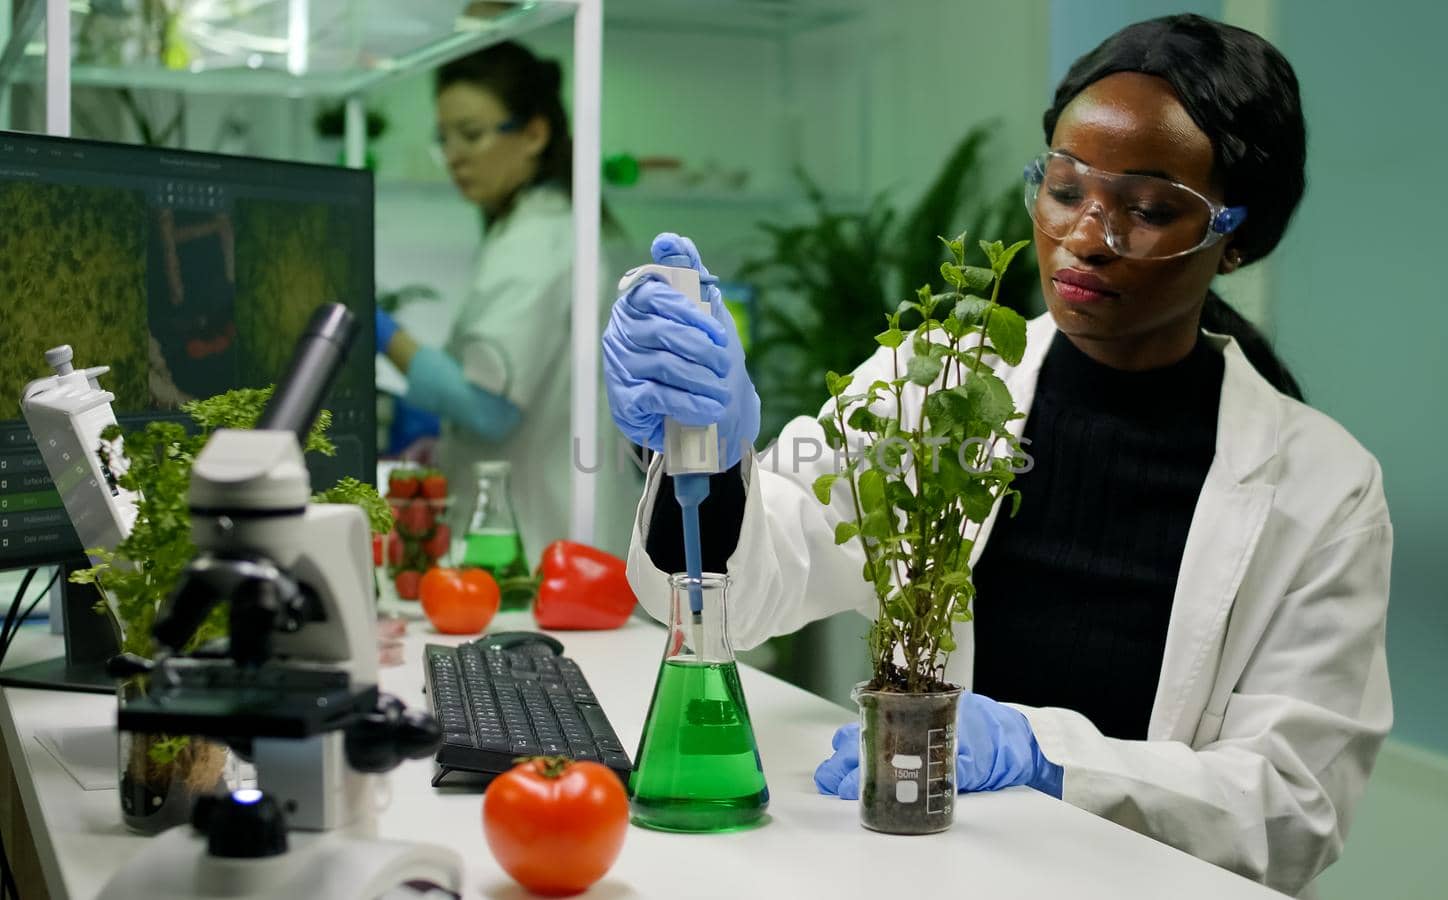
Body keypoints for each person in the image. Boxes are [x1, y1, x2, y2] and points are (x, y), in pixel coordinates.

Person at [601, 14, 1390, 898]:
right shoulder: (937, 383)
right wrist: (705, 456)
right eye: (1064, 188)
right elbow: (744, 591)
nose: (1090, 236)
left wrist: (1040, 755)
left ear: (1236, 237)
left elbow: (1291, 808)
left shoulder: (1326, 486)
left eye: (1152, 208)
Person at [378, 42, 636, 557]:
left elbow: (489, 411)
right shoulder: (533, 227)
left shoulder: (539, 239)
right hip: (544, 525)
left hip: (539, 534)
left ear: (534, 133)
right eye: (443, 137)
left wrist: (380, 332)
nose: (454, 154)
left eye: (471, 134)